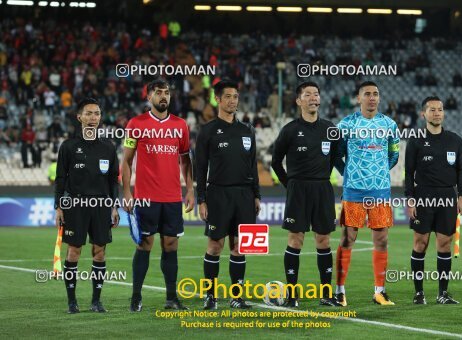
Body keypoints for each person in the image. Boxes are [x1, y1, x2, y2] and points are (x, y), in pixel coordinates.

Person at [122, 79, 194, 312]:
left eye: (167, 93)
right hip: (145, 197)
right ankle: (135, 297)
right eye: (158, 93)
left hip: (172, 196)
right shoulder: (135, 124)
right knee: (145, 244)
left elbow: (185, 159)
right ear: (149, 97)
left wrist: (190, 189)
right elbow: (126, 161)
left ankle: (171, 298)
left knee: (171, 245)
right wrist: (126, 192)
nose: (164, 97)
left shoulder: (181, 125)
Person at [271, 81, 343, 308]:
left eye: (316, 94)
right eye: (308, 94)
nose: (313, 97)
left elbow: (334, 159)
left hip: (322, 189)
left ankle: (326, 294)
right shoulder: (290, 129)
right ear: (299, 101)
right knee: (296, 239)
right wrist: (289, 184)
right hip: (298, 189)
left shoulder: (330, 129)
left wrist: (321, 177)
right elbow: (275, 161)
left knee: (323, 240)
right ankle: (292, 295)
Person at [195, 80, 261, 310]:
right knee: (215, 246)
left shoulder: (247, 130)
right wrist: (201, 198)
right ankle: (210, 296)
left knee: (239, 247)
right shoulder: (208, 130)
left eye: (236, 96)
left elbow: (253, 165)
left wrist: (257, 195)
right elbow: (200, 168)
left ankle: (236, 297)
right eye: (229, 96)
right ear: (218, 99)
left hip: (244, 194)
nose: (233, 100)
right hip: (218, 194)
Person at [335, 81, 400, 306]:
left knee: (381, 240)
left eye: (375, 94)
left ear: (379, 98)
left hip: (380, 191)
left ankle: (379, 291)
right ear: (358, 98)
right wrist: (351, 174)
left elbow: (394, 155)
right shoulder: (346, 125)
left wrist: (378, 173)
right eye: (367, 94)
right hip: (353, 191)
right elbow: (336, 155)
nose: (372, 98)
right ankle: (339, 291)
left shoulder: (389, 125)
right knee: (347, 239)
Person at [54, 98, 120, 314]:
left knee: (99, 252)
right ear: (79, 117)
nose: (93, 118)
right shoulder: (69, 146)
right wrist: (59, 206)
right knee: (74, 251)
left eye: (97, 114)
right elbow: (60, 178)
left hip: (101, 205)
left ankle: (96, 301)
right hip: (75, 205)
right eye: (89, 113)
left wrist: (114, 206)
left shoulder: (108, 148)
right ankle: (72, 301)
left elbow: (113, 180)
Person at [405, 96, 462, 305]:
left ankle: (442, 293)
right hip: (423, 195)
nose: (437, 113)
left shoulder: (455, 140)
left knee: (445, 243)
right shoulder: (415, 140)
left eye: (440, 109)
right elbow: (408, 172)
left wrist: (461, 195)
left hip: (447, 196)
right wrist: (410, 199)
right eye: (432, 110)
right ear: (424, 114)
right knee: (420, 243)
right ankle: (419, 293)